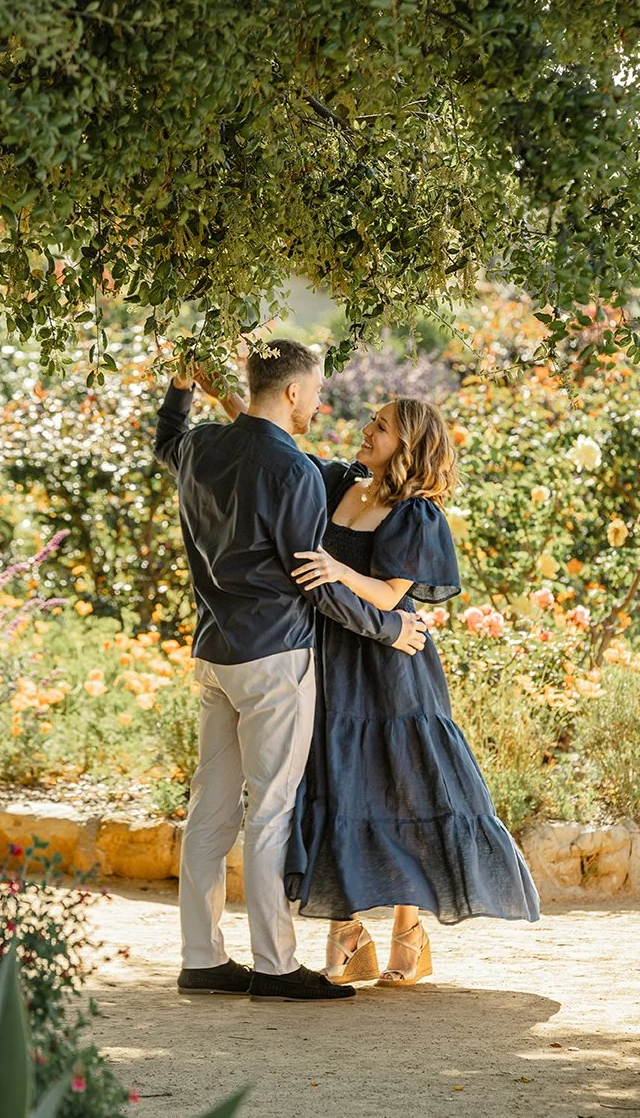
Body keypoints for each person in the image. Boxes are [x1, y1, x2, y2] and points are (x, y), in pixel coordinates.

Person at [195, 372, 540, 987]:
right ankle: (348, 933)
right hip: (327, 657)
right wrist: (224, 390)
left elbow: (388, 594)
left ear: (407, 446)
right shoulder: (335, 481)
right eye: (372, 421)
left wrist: (336, 569)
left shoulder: (417, 515)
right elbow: (272, 441)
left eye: (380, 426)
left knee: (403, 791)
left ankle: (409, 930)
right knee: (336, 787)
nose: (366, 429)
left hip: (387, 668)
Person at [154, 341, 429, 1003]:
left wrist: (181, 386)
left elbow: (167, 441)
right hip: (274, 659)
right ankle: (276, 967)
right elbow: (315, 582)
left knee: (210, 812)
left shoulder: (201, 447)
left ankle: (202, 959)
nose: (320, 403)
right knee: (271, 813)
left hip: (214, 653)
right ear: (293, 393)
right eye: (317, 391)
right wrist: (390, 627)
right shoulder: (295, 472)